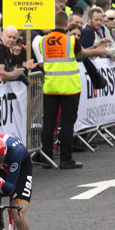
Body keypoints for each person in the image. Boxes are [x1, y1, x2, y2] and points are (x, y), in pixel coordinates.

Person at [40, 10, 85, 169]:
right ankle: (66, 159)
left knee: (48, 123)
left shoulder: (43, 41)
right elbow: (80, 55)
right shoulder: (71, 41)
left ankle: (46, 159)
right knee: (67, 124)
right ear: (66, 24)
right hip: (69, 88)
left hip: (50, 87)